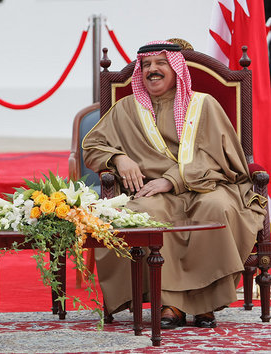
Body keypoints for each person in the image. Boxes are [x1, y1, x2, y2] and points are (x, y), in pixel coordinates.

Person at [82, 40, 267, 329]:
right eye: (146, 65)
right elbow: (92, 147)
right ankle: (170, 304)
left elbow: (221, 157)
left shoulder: (204, 105)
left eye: (160, 64)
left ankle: (206, 304)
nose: (151, 70)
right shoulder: (126, 109)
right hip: (150, 190)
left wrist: (173, 180)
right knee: (146, 214)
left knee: (217, 210)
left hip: (208, 185)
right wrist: (118, 159)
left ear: (177, 69)